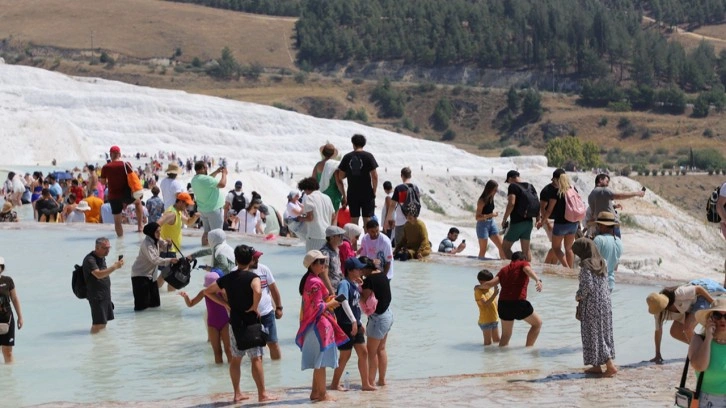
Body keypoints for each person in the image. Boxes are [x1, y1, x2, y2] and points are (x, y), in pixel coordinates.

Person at [203, 245, 277, 403]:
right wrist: (254, 307)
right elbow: (257, 291)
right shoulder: (253, 278)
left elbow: (207, 291)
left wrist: (225, 304)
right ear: (251, 260)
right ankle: (262, 394)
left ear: (236, 260)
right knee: (256, 358)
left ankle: (237, 394)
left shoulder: (227, 278)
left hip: (234, 322)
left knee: (236, 358)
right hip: (250, 322)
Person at [296, 250, 348, 402]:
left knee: (318, 360)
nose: (324, 264)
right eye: (320, 262)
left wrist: (330, 299)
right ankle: (323, 394)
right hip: (317, 325)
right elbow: (318, 306)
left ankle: (315, 392)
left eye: (324, 261)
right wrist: (333, 302)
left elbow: (317, 302)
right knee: (321, 362)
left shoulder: (311, 279)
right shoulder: (315, 282)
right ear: (312, 265)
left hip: (313, 325)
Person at [572, 238, 617, 377]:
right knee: (602, 332)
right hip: (605, 303)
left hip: (591, 304)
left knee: (593, 334)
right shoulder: (603, 262)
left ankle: (610, 366)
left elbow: (587, 287)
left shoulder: (586, 265)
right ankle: (596, 366)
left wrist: (578, 296)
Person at [330, 257, 376, 391]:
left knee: (363, 352)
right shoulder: (344, 283)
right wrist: (353, 321)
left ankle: (365, 384)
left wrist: (359, 322)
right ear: (350, 270)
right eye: (358, 268)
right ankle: (334, 384)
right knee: (345, 355)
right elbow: (343, 300)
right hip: (346, 324)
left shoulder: (354, 283)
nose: (361, 270)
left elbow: (355, 305)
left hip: (355, 323)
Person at [480, 251, 543, 347]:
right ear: (523, 259)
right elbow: (527, 270)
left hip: (503, 305)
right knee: (537, 324)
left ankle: (501, 359)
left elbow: (491, 284)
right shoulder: (523, 263)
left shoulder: (503, 270)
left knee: (506, 335)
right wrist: (537, 280)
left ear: (511, 260)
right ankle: (528, 350)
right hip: (518, 302)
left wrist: (478, 287)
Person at [647, 284, 715, 364]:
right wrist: (657, 354)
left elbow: (699, 289)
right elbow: (658, 331)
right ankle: (703, 347)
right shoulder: (658, 313)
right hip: (688, 310)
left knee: (687, 328)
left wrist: (714, 303)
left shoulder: (678, 293)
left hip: (699, 300)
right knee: (674, 332)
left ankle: (704, 349)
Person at [179, 272, 232, 364]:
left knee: (229, 350)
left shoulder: (223, 291)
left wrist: (225, 294)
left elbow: (231, 305)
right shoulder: (204, 293)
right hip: (212, 324)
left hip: (225, 323)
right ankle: (219, 375)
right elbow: (190, 304)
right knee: (217, 352)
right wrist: (186, 297)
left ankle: (230, 373)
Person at [360, 256, 393, 386]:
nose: (359, 272)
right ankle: (382, 380)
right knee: (381, 349)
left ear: (366, 269)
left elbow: (364, 297)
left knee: (371, 352)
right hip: (388, 314)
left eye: (360, 270)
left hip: (378, 319)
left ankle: (370, 382)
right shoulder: (382, 274)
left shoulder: (369, 280)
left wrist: (358, 285)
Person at [130, 222, 178, 311]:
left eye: (160, 231)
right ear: (151, 232)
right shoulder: (147, 244)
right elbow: (155, 260)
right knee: (142, 307)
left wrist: (170, 243)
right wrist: (170, 260)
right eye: (157, 232)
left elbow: (165, 246)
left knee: (155, 305)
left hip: (152, 276)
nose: (159, 234)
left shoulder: (156, 239)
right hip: (140, 276)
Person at [537, 169, 579, 268]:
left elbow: (548, 210)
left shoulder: (556, 191)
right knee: (568, 248)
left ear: (556, 179)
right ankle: (570, 269)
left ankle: (567, 269)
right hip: (573, 223)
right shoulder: (573, 189)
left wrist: (542, 222)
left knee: (556, 248)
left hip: (561, 223)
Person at [689, 298, 726, 406]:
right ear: (710, 318)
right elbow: (700, 366)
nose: (722, 320)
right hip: (706, 401)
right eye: (717, 315)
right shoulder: (699, 339)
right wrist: (708, 338)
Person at [100, 145, 143, 237]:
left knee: (117, 222)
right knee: (138, 202)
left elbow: (103, 182)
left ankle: (120, 239)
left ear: (110, 155)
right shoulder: (125, 164)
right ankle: (140, 226)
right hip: (126, 195)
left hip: (113, 197)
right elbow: (132, 177)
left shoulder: (106, 167)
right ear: (119, 154)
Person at [336, 134, 379, 226]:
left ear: (353, 144)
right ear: (364, 144)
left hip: (353, 192)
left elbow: (341, 176)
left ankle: (353, 239)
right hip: (367, 192)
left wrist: (351, 172)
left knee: (354, 219)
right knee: (367, 218)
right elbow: (374, 176)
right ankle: (367, 240)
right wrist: (374, 190)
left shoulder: (347, 157)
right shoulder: (368, 156)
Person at [83, 237, 124, 334]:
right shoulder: (90, 259)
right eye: (105, 248)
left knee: (103, 323)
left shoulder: (102, 257)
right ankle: (95, 342)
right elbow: (98, 274)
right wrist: (114, 267)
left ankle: (101, 344)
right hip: (96, 296)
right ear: (97, 247)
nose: (108, 250)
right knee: (98, 324)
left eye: (109, 248)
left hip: (105, 295)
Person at [249, 251, 284, 360]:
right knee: (255, 348)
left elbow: (273, 288)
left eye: (258, 258)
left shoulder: (264, 269)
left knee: (273, 344)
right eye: (254, 258)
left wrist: (279, 307)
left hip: (267, 313)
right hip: (250, 316)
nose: (257, 260)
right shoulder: (237, 272)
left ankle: (276, 373)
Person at [587, 173, 645, 238]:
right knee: (616, 246)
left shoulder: (590, 196)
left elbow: (598, 208)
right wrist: (637, 193)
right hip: (610, 226)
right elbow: (619, 196)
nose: (607, 184)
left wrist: (613, 206)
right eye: (607, 181)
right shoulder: (603, 190)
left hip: (599, 226)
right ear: (600, 180)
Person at [501, 170, 540, 262]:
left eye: (508, 181)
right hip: (529, 222)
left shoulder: (513, 186)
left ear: (510, 178)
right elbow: (537, 203)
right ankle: (527, 269)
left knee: (505, 248)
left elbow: (511, 203)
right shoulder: (530, 186)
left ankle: (519, 266)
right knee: (526, 251)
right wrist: (538, 218)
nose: (508, 183)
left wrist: (504, 219)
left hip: (517, 222)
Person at [190, 161, 228, 246]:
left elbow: (208, 179)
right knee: (217, 234)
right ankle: (216, 253)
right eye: (206, 167)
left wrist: (217, 172)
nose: (207, 169)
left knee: (206, 232)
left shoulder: (195, 179)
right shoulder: (204, 179)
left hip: (204, 209)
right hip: (213, 209)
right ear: (202, 169)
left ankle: (204, 249)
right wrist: (224, 174)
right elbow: (222, 184)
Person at [158, 192, 199, 269]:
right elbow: (156, 225)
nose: (187, 207)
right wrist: (161, 241)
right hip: (168, 250)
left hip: (172, 250)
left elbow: (188, 222)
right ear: (180, 202)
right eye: (186, 204)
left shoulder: (178, 212)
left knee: (166, 277)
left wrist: (195, 217)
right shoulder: (172, 213)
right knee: (173, 278)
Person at [296, 177, 335, 251]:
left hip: (314, 235)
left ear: (307, 188)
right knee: (323, 259)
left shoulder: (309, 198)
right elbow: (333, 215)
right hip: (326, 234)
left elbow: (310, 217)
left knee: (312, 260)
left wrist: (300, 218)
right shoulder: (327, 197)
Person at [590, 211, 623, 291]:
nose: (597, 227)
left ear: (603, 225)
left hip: (597, 283)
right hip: (610, 283)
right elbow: (615, 264)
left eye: (598, 225)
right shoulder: (619, 241)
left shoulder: (599, 240)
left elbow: (592, 262)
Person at [388, 167, 420, 246]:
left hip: (400, 221)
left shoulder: (399, 188)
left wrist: (388, 219)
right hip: (413, 220)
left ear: (401, 175)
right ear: (410, 176)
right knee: (410, 244)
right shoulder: (416, 188)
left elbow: (392, 205)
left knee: (399, 245)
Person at [475, 180, 506, 260]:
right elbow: (477, 217)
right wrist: (490, 215)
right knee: (483, 249)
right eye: (495, 190)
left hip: (491, 223)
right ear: (490, 189)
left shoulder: (491, 197)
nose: (496, 191)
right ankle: (480, 268)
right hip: (482, 225)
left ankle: (504, 265)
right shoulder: (482, 200)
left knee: (502, 246)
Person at [313, 143, 343, 225]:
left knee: (322, 218)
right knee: (333, 219)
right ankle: (331, 237)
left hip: (321, 195)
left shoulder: (318, 165)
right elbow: (339, 182)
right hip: (333, 195)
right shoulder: (334, 165)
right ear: (333, 154)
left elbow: (313, 181)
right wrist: (345, 195)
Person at [0, 257, 23, 364]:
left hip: (7, 320)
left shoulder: (8, 281)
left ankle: (9, 378)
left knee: (8, 352)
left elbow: (14, 298)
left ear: (2, 268)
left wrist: (20, 317)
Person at [475, 270, 500, 346]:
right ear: (481, 282)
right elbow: (485, 304)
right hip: (485, 321)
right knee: (488, 344)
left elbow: (495, 305)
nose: (491, 283)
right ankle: (487, 358)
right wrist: (495, 294)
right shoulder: (478, 291)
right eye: (489, 282)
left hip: (494, 319)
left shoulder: (491, 290)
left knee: (497, 341)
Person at [320, 225, 346, 295]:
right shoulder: (325, 252)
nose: (342, 238)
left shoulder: (336, 249)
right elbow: (323, 274)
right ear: (332, 237)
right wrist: (331, 292)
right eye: (340, 236)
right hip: (331, 291)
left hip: (339, 287)